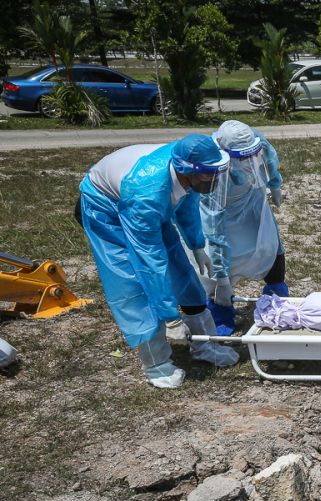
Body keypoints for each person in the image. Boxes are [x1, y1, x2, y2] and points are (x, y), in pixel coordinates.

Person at [77, 136, 240, 389]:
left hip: (146, 198)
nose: (216, 179)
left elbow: (187, 204)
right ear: (188, 171)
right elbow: (150, 261)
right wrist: (170, 318)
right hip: (106, 206)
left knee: (181, 269)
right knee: (133, 283)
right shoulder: (147, 197)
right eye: (210, 174)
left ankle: (205, 344)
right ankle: (156, 364)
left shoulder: (187, 169)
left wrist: (197, 245)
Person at [201, 120, 287, 335]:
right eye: (242, 156)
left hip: (254, 200)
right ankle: (221, 310)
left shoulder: (253, 137)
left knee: (271, 244)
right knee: (226, 254)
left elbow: (269, 155)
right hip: (224, 214)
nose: (249, 160)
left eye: (251, 153)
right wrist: (221, 279)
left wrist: (275, 184)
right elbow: (213, 229)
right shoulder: (211, 172)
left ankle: (277, 296)